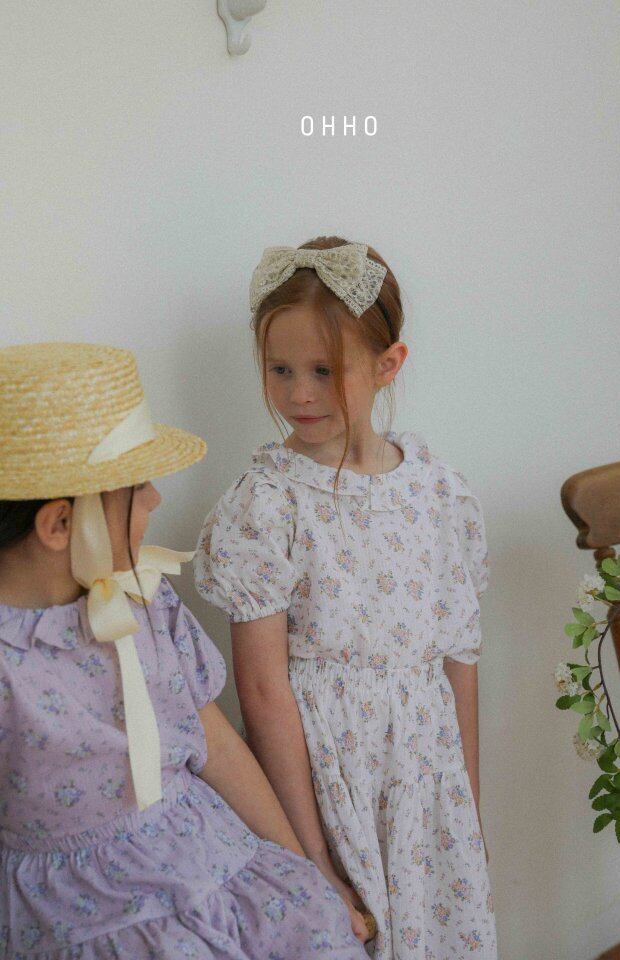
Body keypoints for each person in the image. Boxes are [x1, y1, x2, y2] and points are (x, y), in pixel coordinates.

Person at [0, 341, 368, 959]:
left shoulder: (145, 599)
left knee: (316, 933)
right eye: (138, 487)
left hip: (210, 855)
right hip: (92, 912)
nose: (156, 500)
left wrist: (304, 869)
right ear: (60, 524)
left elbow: (215, 744)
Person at [194, 237, 498, 959]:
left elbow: (459, 662)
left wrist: (468, 813)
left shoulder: (437, 491)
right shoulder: (267, 504)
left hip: (425, 788)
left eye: (325, 371)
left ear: (388, 365)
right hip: (327, 786)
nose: (299, 394)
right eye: (281, 370)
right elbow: (262, 691)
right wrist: (310, 858)